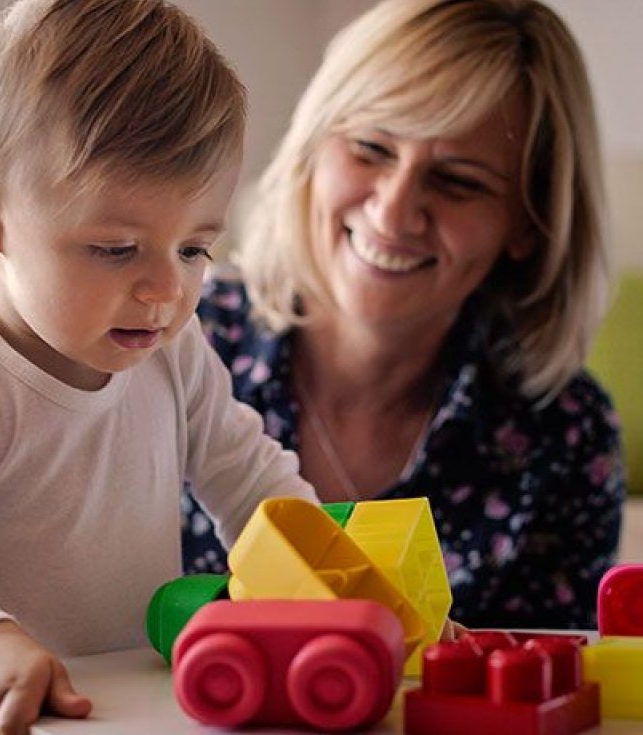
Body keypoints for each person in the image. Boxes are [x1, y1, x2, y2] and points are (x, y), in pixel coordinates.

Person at [0, 0, 319, 733]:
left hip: (136, 708)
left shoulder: (174, 351)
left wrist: (350, 591)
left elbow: (254, 483)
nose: (167, 290)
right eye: (116, 249)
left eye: (194, 249)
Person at [183, 0, 625, 631]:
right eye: (370, 148)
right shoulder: (172, 339)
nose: (393, 214)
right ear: (313, 147)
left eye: (458, 182)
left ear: (528, 223)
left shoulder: (566, 437)